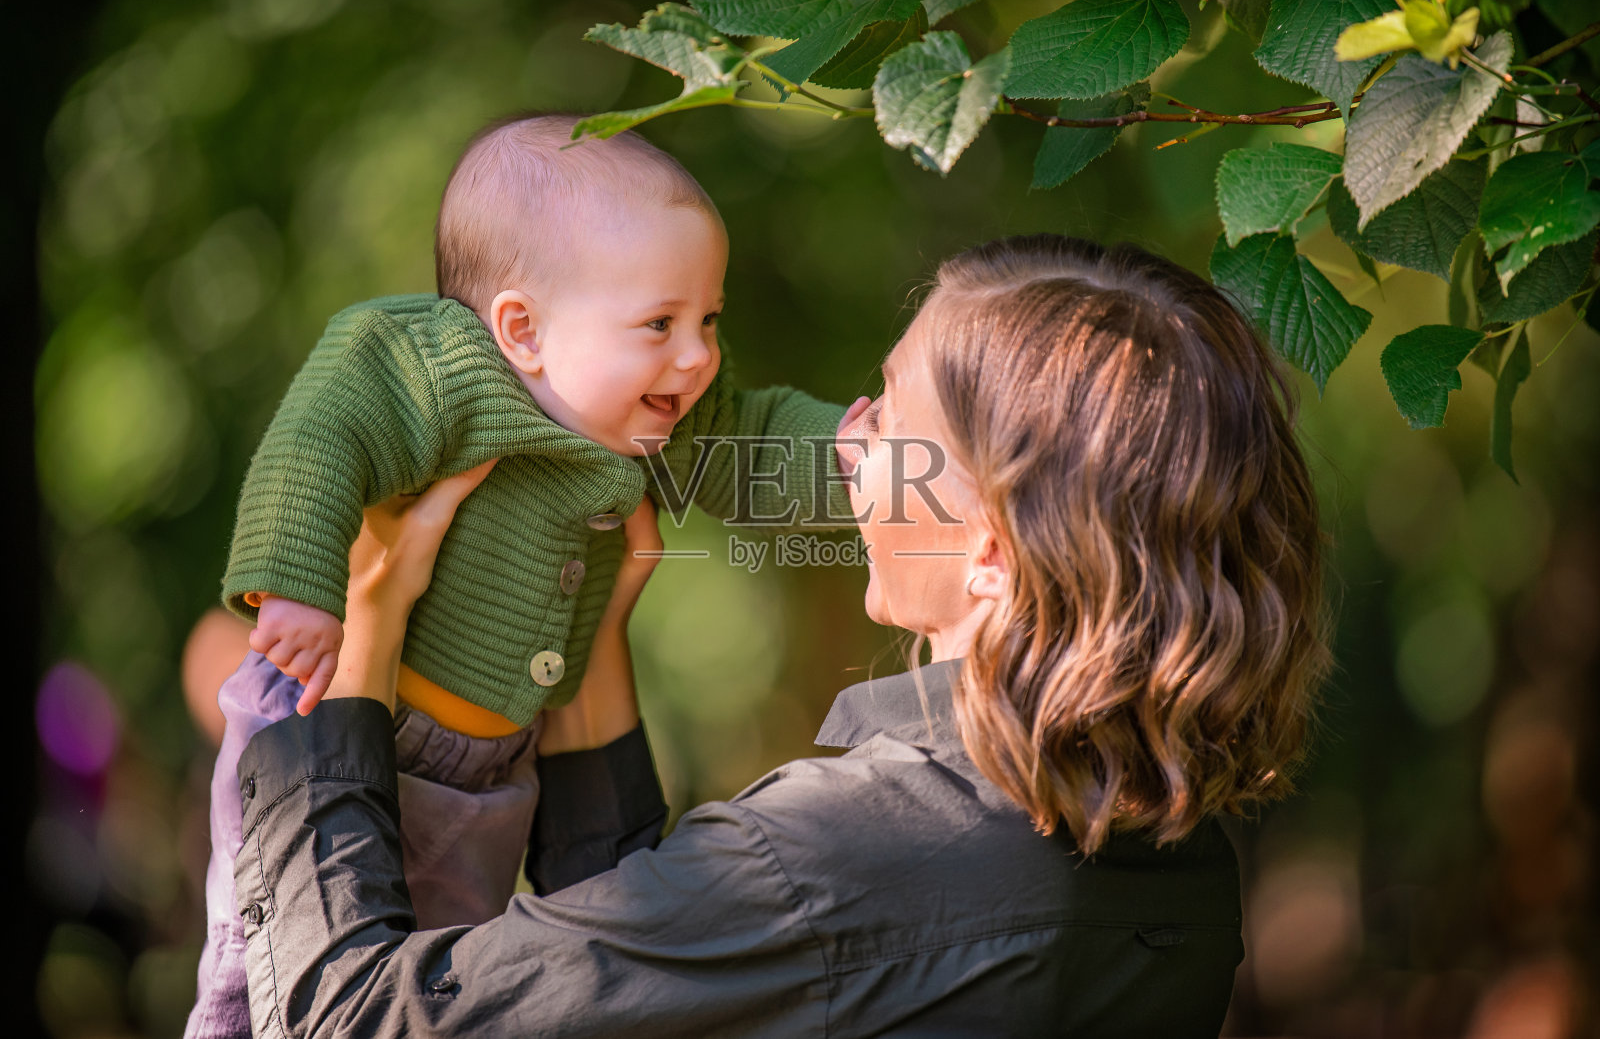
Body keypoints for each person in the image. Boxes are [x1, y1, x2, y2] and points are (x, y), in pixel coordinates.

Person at [230, 235, 1329, 1036]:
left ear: (991, 552)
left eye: (890, 418)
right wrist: (588, 641)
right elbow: (679, 975)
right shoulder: (1180, 883)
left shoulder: (833, 859)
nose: (850, 444)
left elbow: (355, 1018)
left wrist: (362, 631)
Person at [187, 113, 854, 1039]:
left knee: (446, 969)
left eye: (709, 318)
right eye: (660, 321)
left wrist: (856, 459)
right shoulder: (433, 367)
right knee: (264, 967)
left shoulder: (656, 406)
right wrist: (299, 585)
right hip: (340, 716)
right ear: (522, 329)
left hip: (496, 766)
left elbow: (758, 437)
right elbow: (319, 437)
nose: (697, 354)